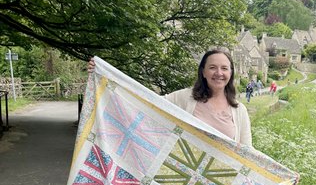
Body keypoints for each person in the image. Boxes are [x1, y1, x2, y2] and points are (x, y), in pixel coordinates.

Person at [88, 49, 252, 146]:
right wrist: (106, 76)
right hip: (185, 178)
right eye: (212, 67)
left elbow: (247, 153)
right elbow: (147, 104)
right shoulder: (185, 97)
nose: (219, 73)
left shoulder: (239, 111)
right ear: (203, 71)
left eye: (224, 68)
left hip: (224, 183)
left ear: (231, 73)